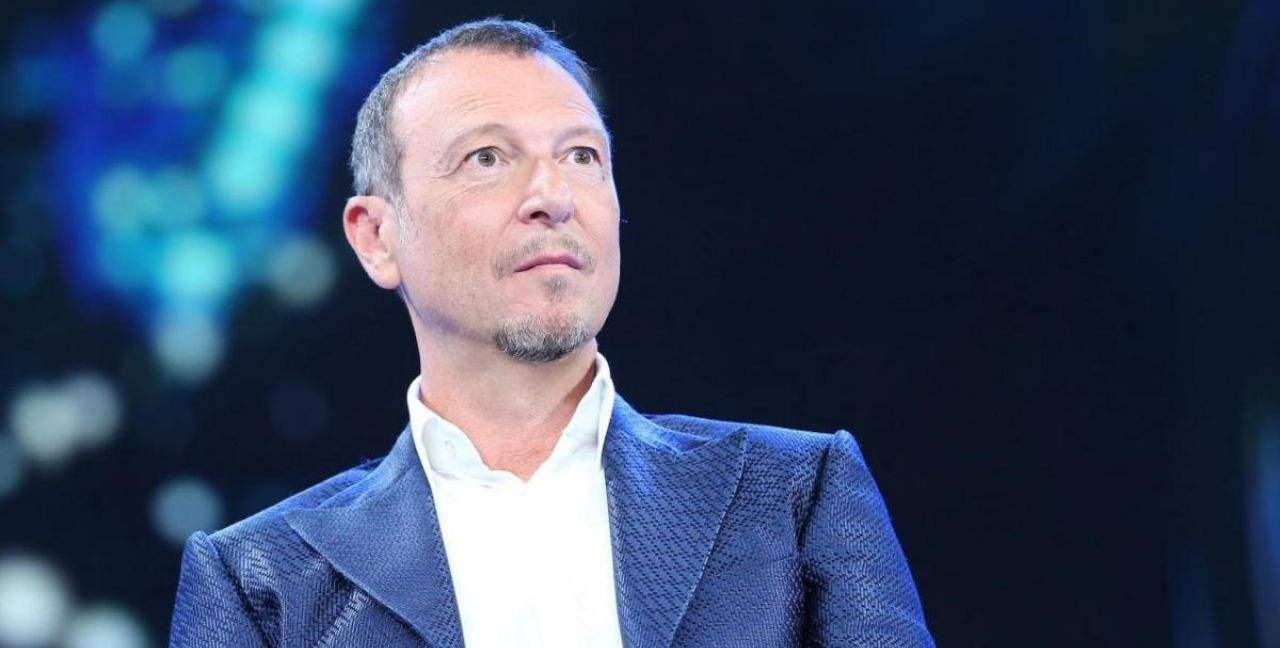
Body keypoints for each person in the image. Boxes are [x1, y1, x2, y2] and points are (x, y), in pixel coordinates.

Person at [169, 18, 934, 647]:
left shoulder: (794, 496)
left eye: (581, 155)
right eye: (487, 157)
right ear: (376, 236)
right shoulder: (263, 579)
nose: (552, 195)